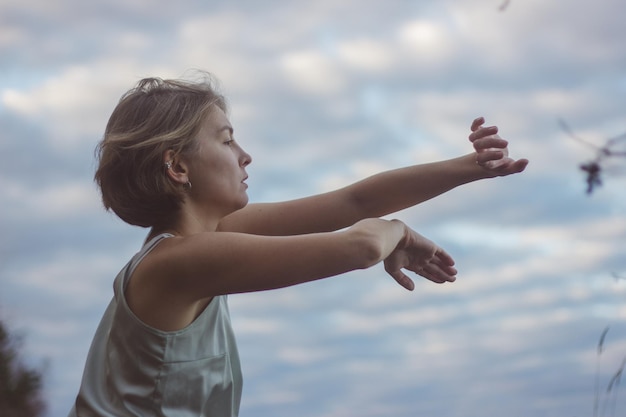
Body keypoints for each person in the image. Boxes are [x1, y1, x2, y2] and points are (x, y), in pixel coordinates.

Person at [69, 72, 528, 417]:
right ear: (177, 166)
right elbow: (362, 246)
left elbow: (355, 200)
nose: (245, 155)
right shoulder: (181, 260)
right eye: (227, 140)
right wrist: (399, 233)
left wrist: (470, 167)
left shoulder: (207, 239)